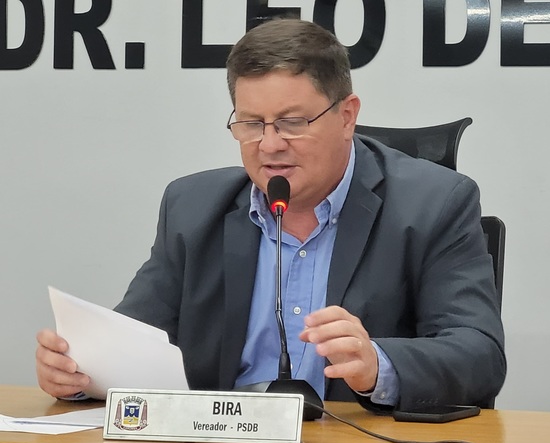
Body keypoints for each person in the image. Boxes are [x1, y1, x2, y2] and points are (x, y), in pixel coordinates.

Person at [35, 18, 506, 412]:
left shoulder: (435, 203)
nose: (270, 144)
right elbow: (133, 340)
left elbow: (479, 355)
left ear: (347, 116)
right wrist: (79, 372)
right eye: (251, 124)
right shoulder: (192, 206)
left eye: (292, 122)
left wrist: (378, 364)